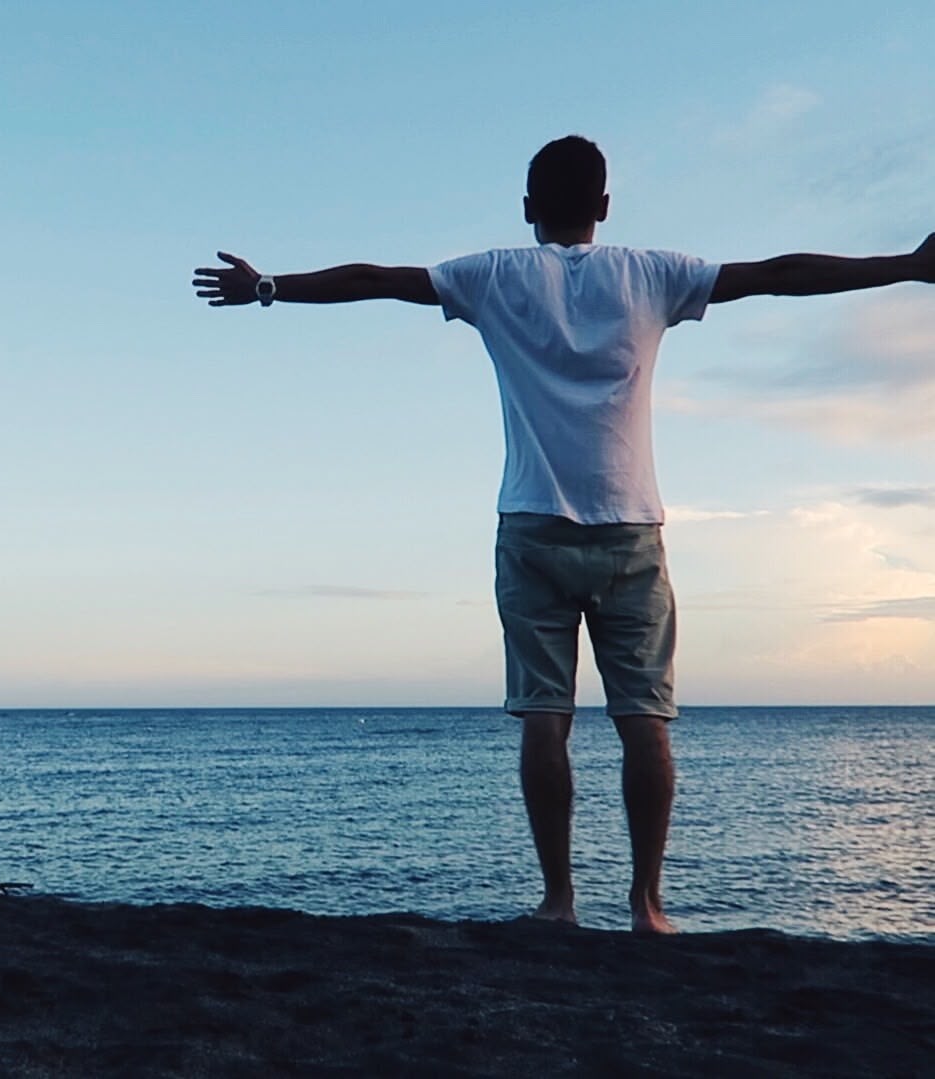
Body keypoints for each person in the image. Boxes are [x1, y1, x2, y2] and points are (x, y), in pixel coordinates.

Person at [192, 135, 934, 932]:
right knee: (642, 720)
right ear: (605, 207)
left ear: (526, 209)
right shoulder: (652, 274)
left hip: (532, 524)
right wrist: (902, 265)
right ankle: (648, 906)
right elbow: (779, 276)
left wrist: (266, 285)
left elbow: (376, 280)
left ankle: (558, 901)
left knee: (546, 715)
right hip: (630, 530)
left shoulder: (494, 275)